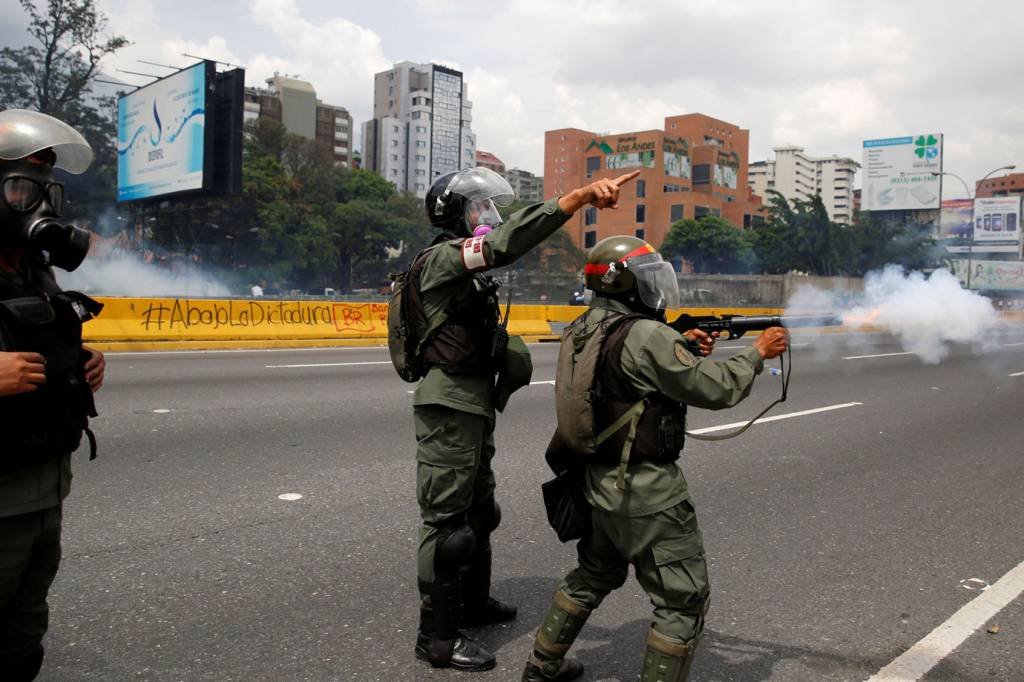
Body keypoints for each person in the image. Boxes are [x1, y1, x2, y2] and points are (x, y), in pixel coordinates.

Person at [521, 235, 788, 682]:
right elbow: (716, 387)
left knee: (594, 572)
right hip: (644, 490)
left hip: (595, 479)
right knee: (682, 600)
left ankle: (541, 665)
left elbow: (622, 382)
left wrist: (680, 344)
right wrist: (756, 354)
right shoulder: (646, 335)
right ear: (628, 285)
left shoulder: (584, 327)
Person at [408, 166, 640, 672]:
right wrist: (574, 198)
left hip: (472, 402)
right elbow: (502, 245)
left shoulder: (462, 267)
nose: (487, 217)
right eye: (478, 209)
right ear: (454, 216)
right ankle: (437, 638)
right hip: (449, 405)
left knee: (480, 514)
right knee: (449, 525)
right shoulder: (443, 259)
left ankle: (473, 604)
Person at [0, 109, 106, 681]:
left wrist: (83, 361)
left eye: (47, 193)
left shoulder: (32, 270)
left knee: (23, 631)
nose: (37, 208)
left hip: (43, 485)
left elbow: (46, 337)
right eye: (20, 189)